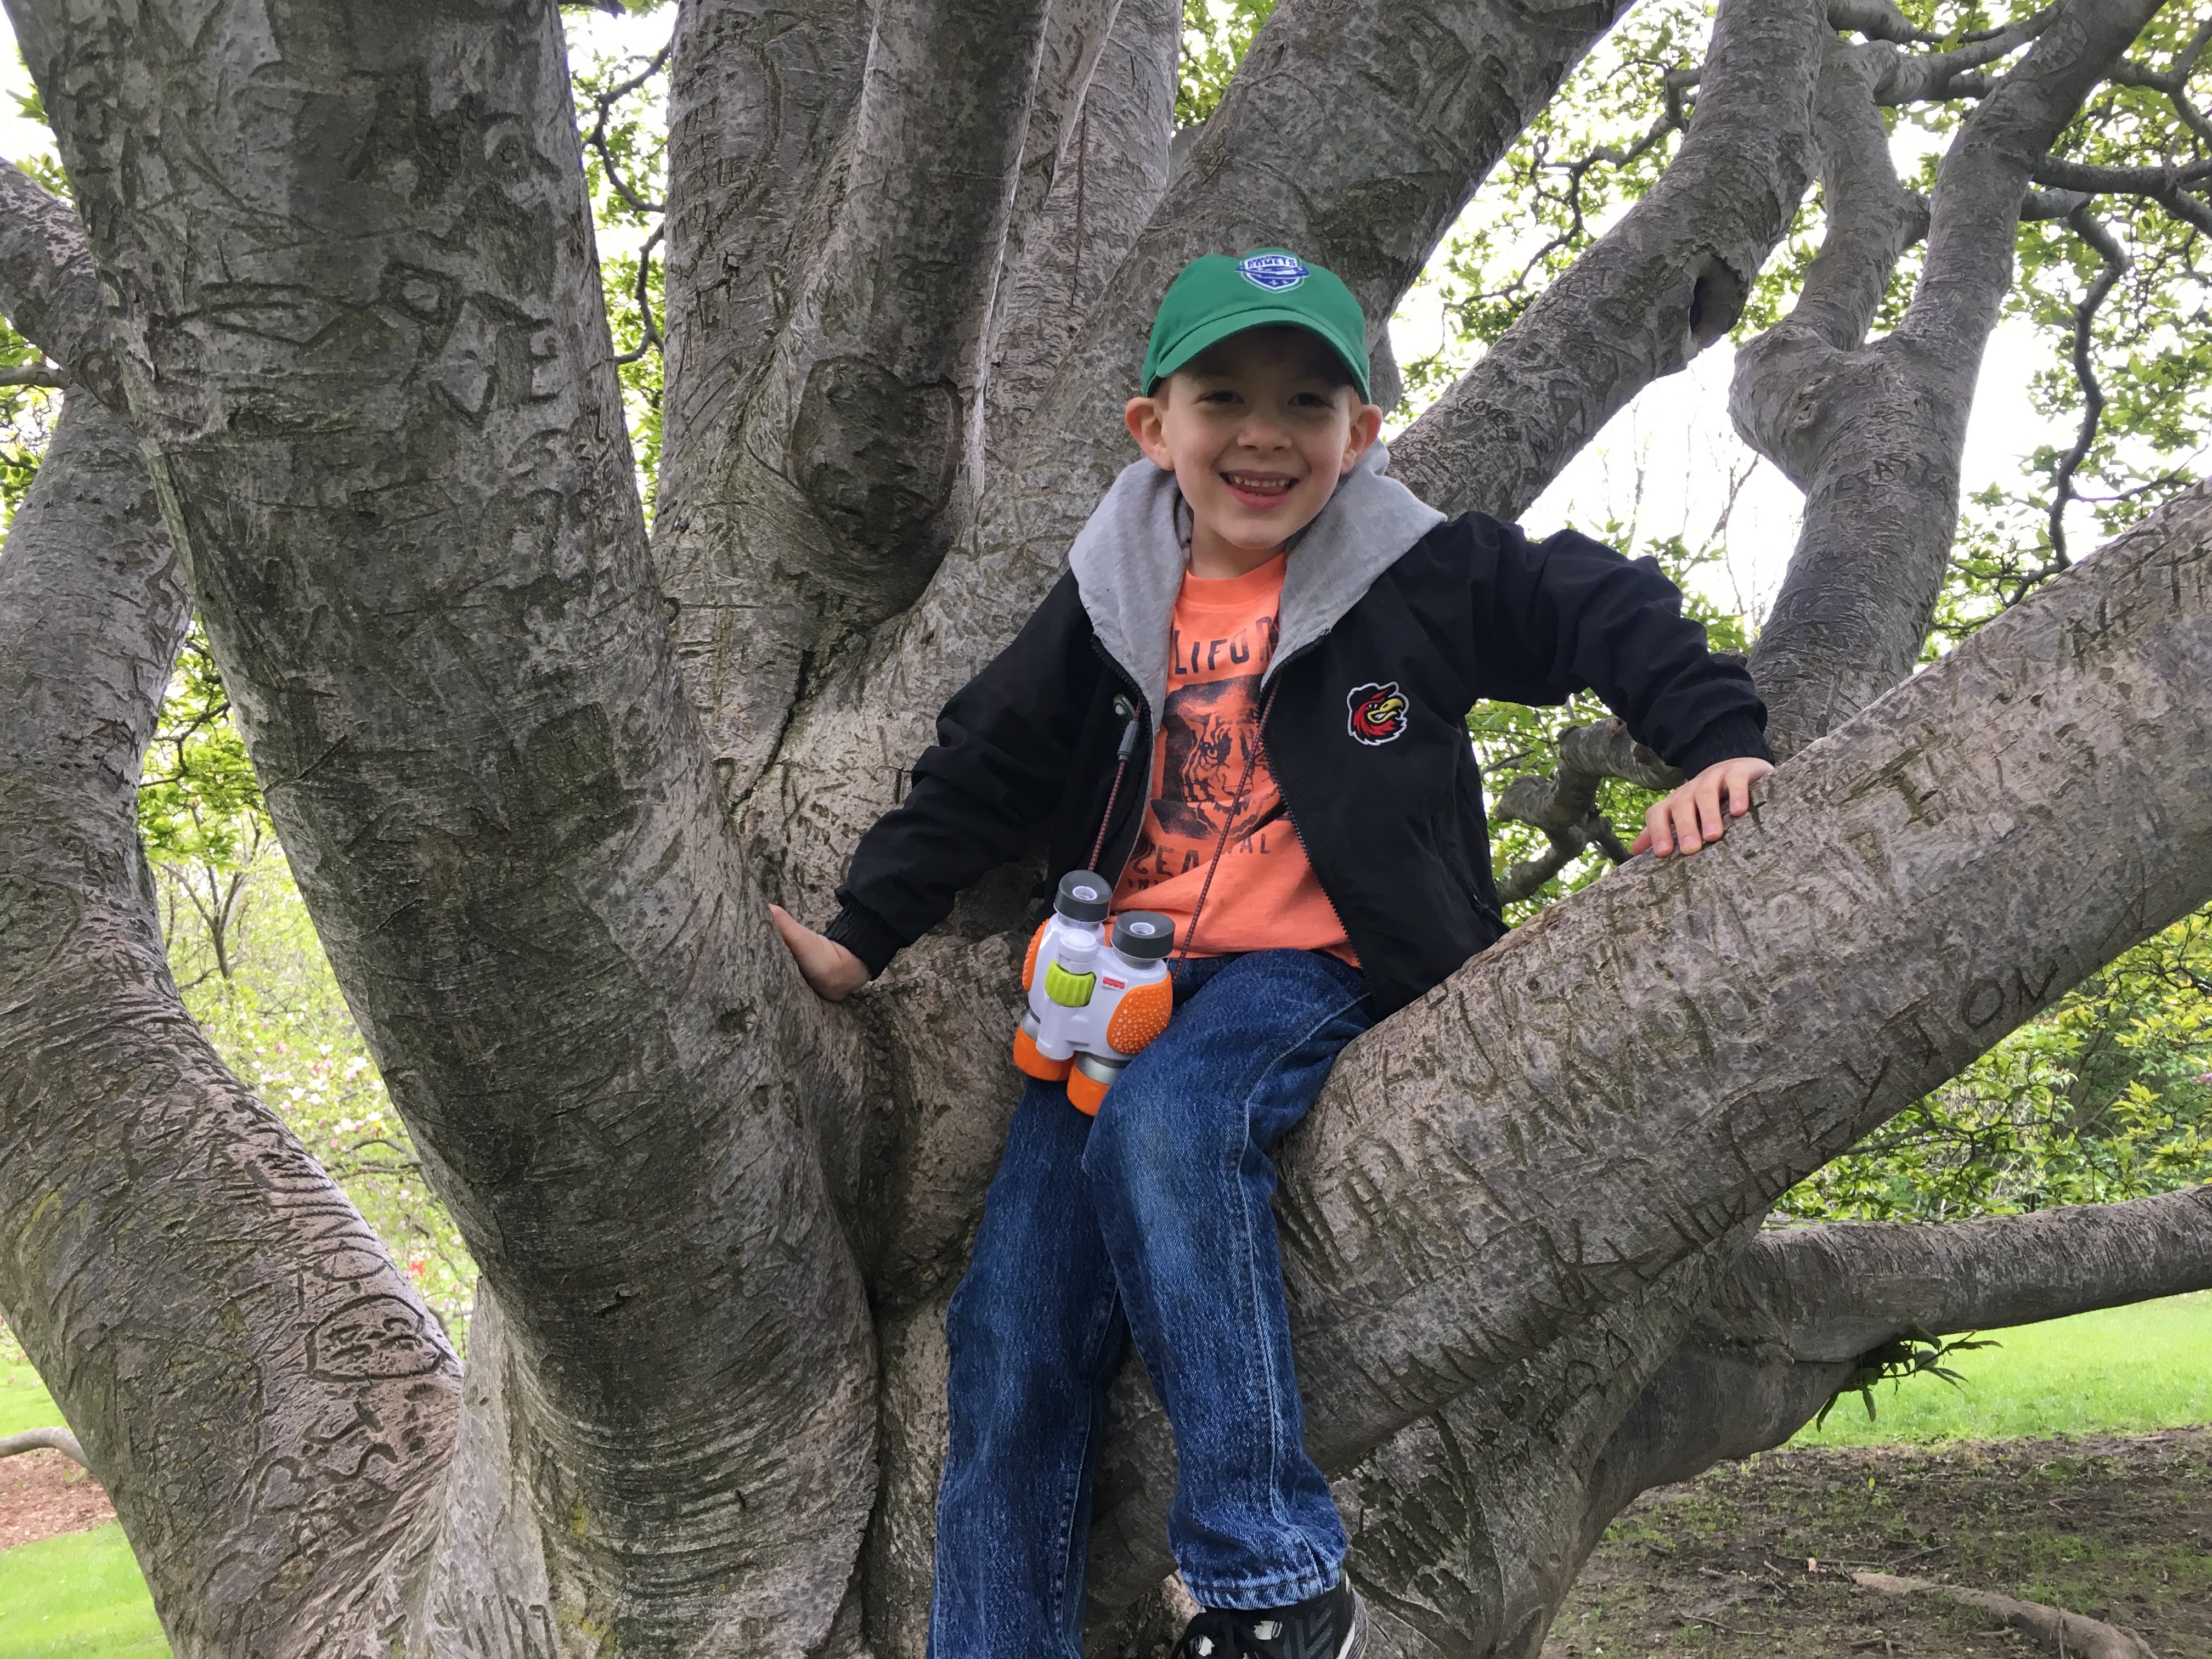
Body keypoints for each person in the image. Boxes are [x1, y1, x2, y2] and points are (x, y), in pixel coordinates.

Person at [771, 248, 1775, 1659]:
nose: (1263, 433)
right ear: (1153, 427)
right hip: (1114, 1000)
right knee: (1006, 1335)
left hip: (1314, 968)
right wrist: (859, 938)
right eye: (1223, 396)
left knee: (1177, 1129)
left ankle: (1273, 1585)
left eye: (1309, 402)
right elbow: (984, 764)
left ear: (1360, 435)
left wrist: (1718, 744)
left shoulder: (1418, 575)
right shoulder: (1111, 593)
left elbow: (1599, 605)